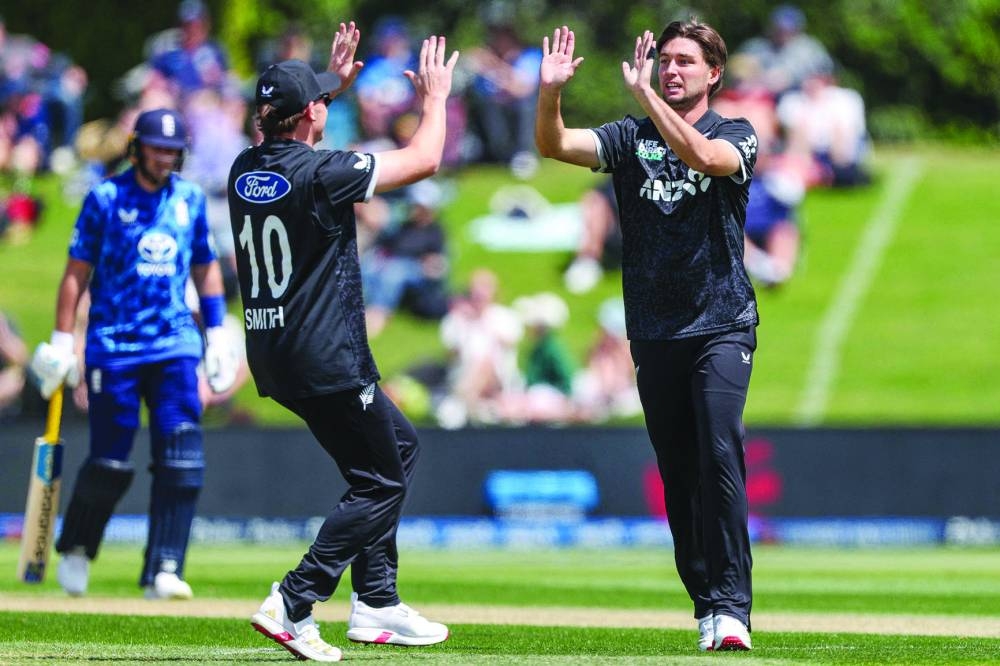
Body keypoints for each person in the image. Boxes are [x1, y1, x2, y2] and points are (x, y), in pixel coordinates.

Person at [227, 22, 456, 661]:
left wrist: (328, 86)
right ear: (308, 118)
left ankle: (377, 601)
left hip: (272, 353)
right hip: (325, 353)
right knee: (382, 480)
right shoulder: (321, 173)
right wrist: (435, 100)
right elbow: (425, 161)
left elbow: (288, 135)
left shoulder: (246, 167)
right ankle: (295, 599)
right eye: (322, 103)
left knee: (392, 452)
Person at [535, 21, 759, 651]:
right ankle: (706, 603)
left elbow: (703, 159)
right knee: (679, 471)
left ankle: (734, 608)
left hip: (722, 324)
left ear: (714, 72)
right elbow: (553, 145)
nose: (671, 70)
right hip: (653, 330)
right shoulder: (629, 136)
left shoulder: (735, 133)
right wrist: (550, 92)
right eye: (664, 60)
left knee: (720, 451)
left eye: (685, 61)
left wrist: (647, 101)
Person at [27, 108, 239, 600]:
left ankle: (164, 567)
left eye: (172, 150)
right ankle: (78, 545)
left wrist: (217, 332)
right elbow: (76, 273)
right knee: (110, 461)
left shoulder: (189, 199)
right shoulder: (105, 198)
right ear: (137, 147)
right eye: (156, 148)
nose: (165, 158)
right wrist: (63, 339)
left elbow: (206, 267)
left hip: (173, 344)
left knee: (182, 457)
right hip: (114, 346)